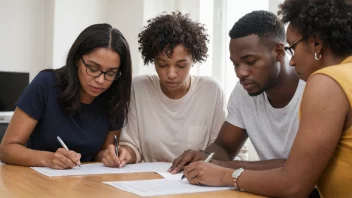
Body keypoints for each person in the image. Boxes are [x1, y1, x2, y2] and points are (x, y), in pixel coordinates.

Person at [182, 0, 352, 197]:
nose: (293, 59)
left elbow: (293, 185)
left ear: (315, 43)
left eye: (293, 48)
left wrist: (225, 175)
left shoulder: (325, 82)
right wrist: (207, 158)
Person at [101, 11, 247, 168]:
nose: (171, 74)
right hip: (149, 181)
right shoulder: (139, 88)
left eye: (181, 65)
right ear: (153, 60)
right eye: (162, 64)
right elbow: (132, 146)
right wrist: (124, 154)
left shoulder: (211, 91)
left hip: (196, 182)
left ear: (194, 59)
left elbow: (223, 150)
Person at [170, 10, 304, 173]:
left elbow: (300, 166)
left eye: (250, 61)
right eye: (235, 64)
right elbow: (224, 148)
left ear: (279, 52)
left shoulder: (312, 88)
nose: (241, 73)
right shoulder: (244, 91)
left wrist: (223, 168)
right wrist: (203, 156)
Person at [0, 23, 132, 170]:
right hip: (37, 181)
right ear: (77, 60)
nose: (101, 80)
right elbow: (7, 149)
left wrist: (111, 156)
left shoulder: (115, 96)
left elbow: (99, 155)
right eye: (93, 69)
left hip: (86, 182)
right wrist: (49, 159)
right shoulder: (46, 84)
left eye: (111, 73)